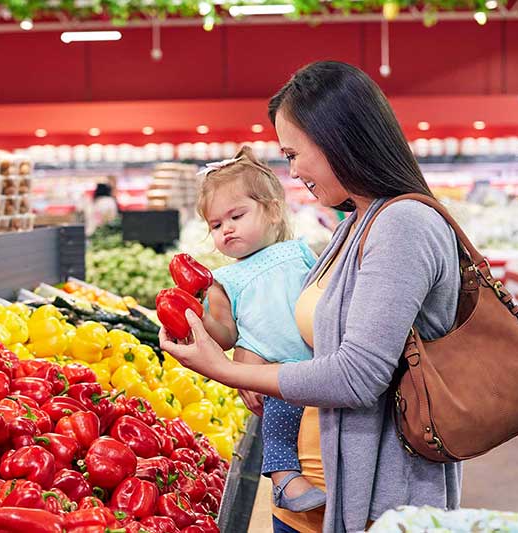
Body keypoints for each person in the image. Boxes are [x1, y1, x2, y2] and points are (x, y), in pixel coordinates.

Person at [160, 61, 463, 533]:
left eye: (294, 153)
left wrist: (228, 370)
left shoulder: (403, 225)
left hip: (370, 502)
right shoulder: (355, 224)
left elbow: (358, 377)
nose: (293, 169)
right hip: (321, 495)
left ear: (339, 138)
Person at [196, 145, 327, 512]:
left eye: (236, 216)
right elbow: (226, 335)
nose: (227, 229)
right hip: (272, 372)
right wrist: (198, 315)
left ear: (271, 211)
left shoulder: (299, 251)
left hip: (317, 363)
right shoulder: (223, 279)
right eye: (216, 225)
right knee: (281, 422)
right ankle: (284, 478)